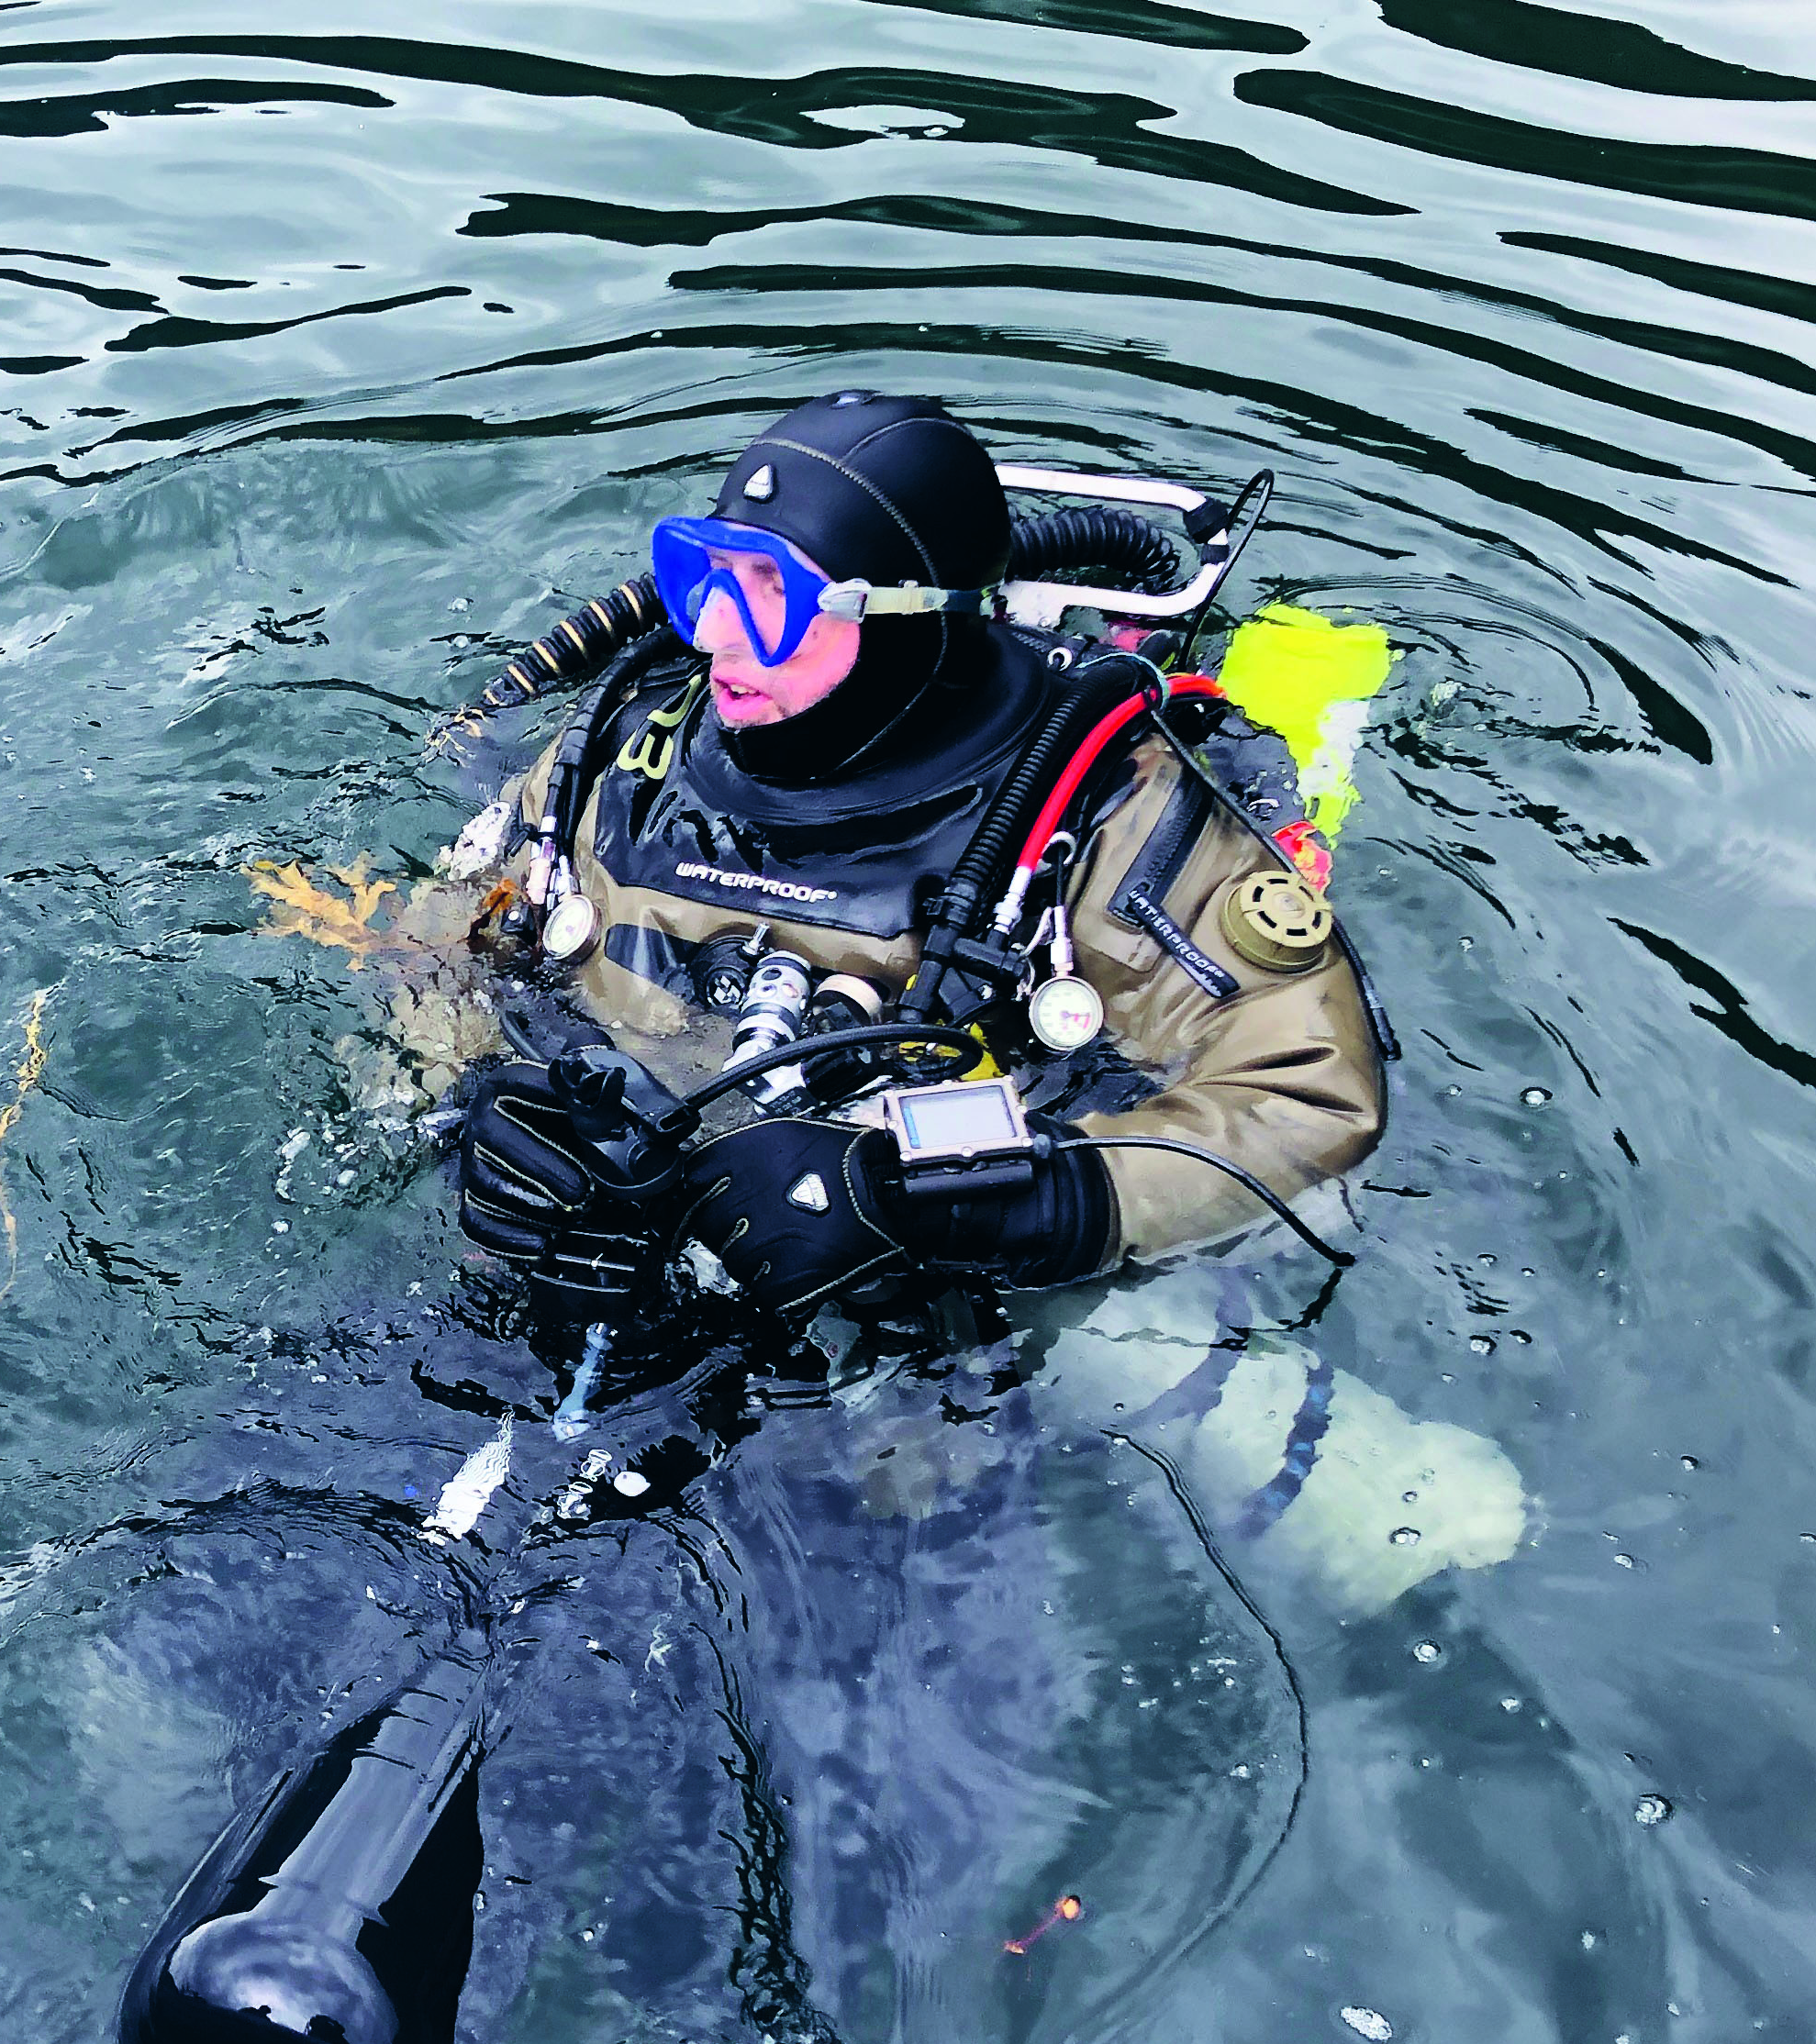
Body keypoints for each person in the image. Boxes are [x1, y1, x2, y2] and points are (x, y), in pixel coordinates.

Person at [445, 390, 1389, 1337]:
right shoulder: (618, 761)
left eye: (773, 593)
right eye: (709, 577)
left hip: (938, 1292)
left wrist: (982, 1202)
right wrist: (472, 1113)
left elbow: (1304, 1098)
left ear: (906, 620)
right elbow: (438, 949)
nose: (714, 634)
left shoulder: (1108, 822)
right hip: (621, 1234)